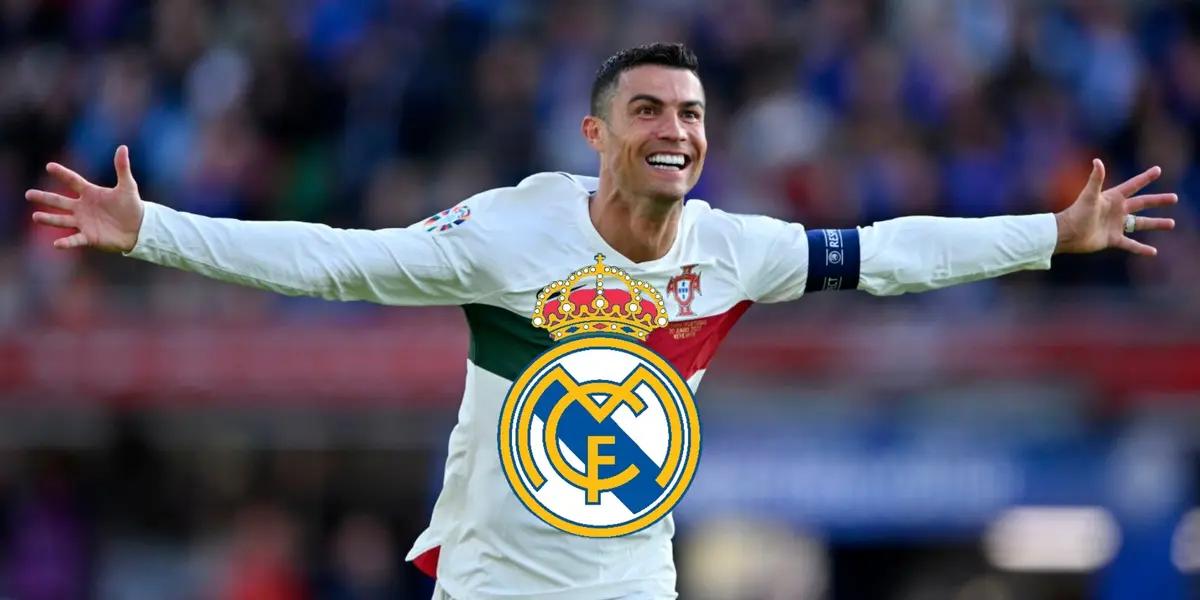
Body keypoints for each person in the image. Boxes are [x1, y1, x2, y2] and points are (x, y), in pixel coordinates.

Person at [26, 43, 1177, 600]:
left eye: (691, 112)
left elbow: (890, 255)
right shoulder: (507, 235)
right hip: (488, 581)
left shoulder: (735, 251)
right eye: (647, 110)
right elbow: (337, 264)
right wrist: (156, 230)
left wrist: (1049, 234)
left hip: (631, 584)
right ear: (596, 135)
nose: (674, 128)